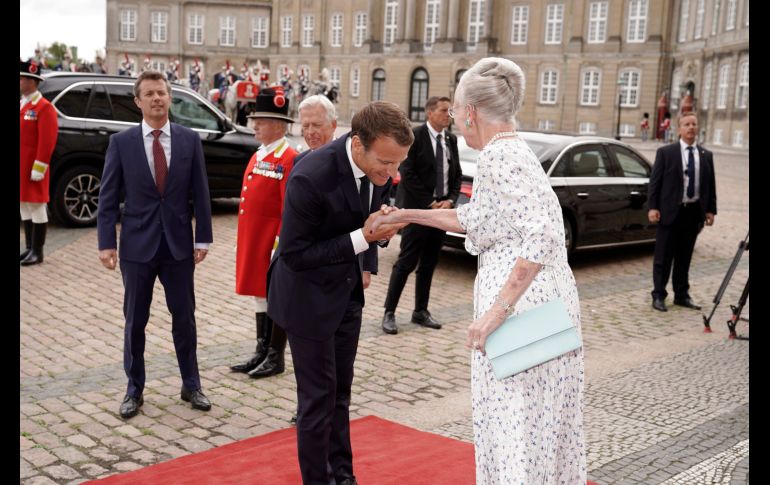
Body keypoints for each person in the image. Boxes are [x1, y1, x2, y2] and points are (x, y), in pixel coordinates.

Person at [370, 57, 586, 483]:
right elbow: (473, 218)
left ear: (470, 112)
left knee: (514, 431)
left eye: (455, 112)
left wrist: (496, 313)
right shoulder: (512, 151)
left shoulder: (499, 157)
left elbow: (543, 235)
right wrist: (406, 215)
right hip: (546, 312)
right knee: (539, 433)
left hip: (523, 317)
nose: (454, 120)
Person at [267, 101, 412, 485]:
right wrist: (364, 237)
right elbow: (295, 255)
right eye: (386, 163)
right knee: (317, 401)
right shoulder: (310, 175)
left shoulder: (380, 166)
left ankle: (344, 477)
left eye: (398, 164)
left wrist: (381, 230)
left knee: (340, 395)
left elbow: (368, 217)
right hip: (306, 299)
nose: (392, 173)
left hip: (346, 295)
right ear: (358, 143)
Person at [97, 71, 214, 419]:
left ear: (170, 97)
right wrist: (106, 243)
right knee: (135, 321)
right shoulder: (121, 143)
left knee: (185, 319)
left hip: (178, 246)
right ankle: (134, 389)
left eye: (161, 92)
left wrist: (203, 237)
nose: (157, 98)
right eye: (149, 94)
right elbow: (107, 198)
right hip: (137, 247)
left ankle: (191, 384)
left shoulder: (189, 140)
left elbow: (201, 193)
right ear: (138, 102)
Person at [230, 87, 298, 379]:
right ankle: (261, 349)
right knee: (259, 293)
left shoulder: (288, 157)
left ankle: (274, 355)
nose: (254, 125)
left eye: (261, 121)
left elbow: (288, 207)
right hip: (254, 238)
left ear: (279, 126)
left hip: (271, 240)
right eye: (255, 121)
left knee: (273, 295)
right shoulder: (259, 154)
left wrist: (278, 243)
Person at [381, 96, 461, 334]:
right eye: (444, 110)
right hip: (417, 211)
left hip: (441, 213)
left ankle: (420, 311)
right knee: (406, 262)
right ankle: (389, 312)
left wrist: (450, 200)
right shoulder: (415, 137)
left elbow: (456, 174)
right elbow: (407, 173)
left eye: (450, 110)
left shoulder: (451, 139)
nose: (448, 115)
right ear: (430, 113)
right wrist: (430, 202)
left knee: (429, 263)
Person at [648, 112, 717, 312]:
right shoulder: (666, 153)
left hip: (693, 213)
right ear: (679, 129)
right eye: (687, 124)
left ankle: (681, 294)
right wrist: (653, 207)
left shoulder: (706, 155)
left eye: (694, 124)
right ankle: (659, 295)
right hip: (670, 212)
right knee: (663, 257)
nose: (691, 127)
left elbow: (710, 185)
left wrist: (711, 210)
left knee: (684, 257)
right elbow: (655, 182)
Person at [20, 60, 58, 266]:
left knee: (36, 205)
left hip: (33, 166)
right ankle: (28, 248)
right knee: (24, 205)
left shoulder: (44, 107)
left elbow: (47, 141)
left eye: (22, 79)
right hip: (21, 166)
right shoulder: (24, 104)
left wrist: (40, 166)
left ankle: (38, 251)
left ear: (32, 81)